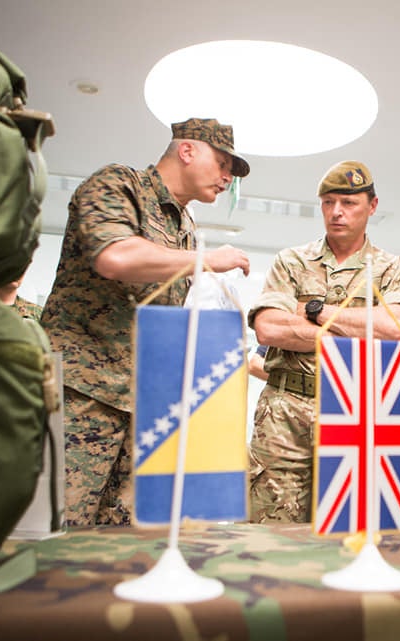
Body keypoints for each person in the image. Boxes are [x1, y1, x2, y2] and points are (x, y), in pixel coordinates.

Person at [41, 117, 251, 527]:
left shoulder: (187, 228)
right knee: (60, 525)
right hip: (84, 393)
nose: (227, 177)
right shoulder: (120, 184)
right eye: (223, 163)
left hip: (147, 405)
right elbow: (115, 258)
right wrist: (207, 261)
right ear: (187, 150)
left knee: (128, 533)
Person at [247, 160, 400, 523]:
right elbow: (268, 329)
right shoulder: (291, 261)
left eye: (348, 202)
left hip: (357, 409)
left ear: (372, 206)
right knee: (270, 529)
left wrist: (314, 311)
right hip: (284, 412)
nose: (336, 212)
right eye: (328, 202)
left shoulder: (390, 268)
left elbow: (395, 329)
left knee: (352, 527)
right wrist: (358, 329)